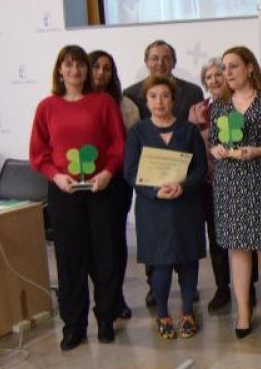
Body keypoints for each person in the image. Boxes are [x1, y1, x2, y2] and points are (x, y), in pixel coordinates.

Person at [29, 45, 126, 350]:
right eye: (69, 66)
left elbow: (117, 144)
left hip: (101, 190)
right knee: (70, 260)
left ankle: (107, 319)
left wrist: (108, 172)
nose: (75, 71)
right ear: (60, 70)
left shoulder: (103, 102)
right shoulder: (47, 107)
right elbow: (39, 152)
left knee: (105, 256)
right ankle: (74, 325)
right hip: (64, 193)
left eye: (81, 66)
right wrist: (56, 176)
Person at [210, 46, 261, 339]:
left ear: (250, 67)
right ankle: (244, 311)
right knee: (238, 249)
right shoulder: (219, 105)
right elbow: (215, 143)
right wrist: (216, 149)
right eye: (224, 68)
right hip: (230, 182)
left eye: (233, 66)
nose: (227, 73)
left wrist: (259, 150)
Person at [124, 76, 207, 339]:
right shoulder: (137, 132)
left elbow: (200, 169)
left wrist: (183, 186)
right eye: (153, 96)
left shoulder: (189, 131)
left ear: (174, 99)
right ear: (146, 101)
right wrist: (154, 191)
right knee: (159, 267)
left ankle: (187, 312)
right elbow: (131, 172)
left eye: (165, 96)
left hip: (186, 207)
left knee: (188, 262)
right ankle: (162, 314)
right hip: (153, 210)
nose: (159, 102)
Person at [188, 57, 260, 313]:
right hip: (208, 183)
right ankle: (222, 288)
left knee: (245, 236)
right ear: (204, 83)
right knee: (216, 237)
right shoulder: (197, 111)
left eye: (219, 74)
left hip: (239, 179)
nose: (215, 80)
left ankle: (248, 288)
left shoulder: (238, 104)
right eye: (209, 77)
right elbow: (191, 146)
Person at [88, 49, 140, 321]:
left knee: (114, 243)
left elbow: (132, 147)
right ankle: (101, 298)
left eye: (107, 68)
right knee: (92, 245)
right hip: (84, 184)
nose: (100, 72)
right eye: (95, 66)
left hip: (116, 184)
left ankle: (115, 297)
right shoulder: (73, 102)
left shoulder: (125, 105)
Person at [123, 39, 203, 122]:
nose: (160, 63)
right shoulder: (130, 94)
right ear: (146, 62)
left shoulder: (193, 92)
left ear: (174, 62)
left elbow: (201, 128)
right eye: (155, 59)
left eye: (166, 59)